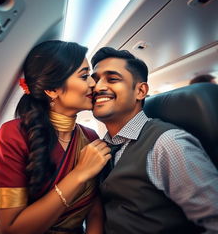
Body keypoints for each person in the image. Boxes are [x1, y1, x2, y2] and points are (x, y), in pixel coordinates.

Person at [0, 40, 111, 234]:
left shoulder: (90, 136)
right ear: (52, 90)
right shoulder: (14, 135)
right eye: (84, 76)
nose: (94, 83)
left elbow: (95, 212)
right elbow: (11, 229)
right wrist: (79, 174)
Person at [91, 47, 218, 234]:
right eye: (94, 80)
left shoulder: (167, 144)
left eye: (112, 79)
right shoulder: (103, 146)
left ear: (140, 91)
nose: (98, 87)